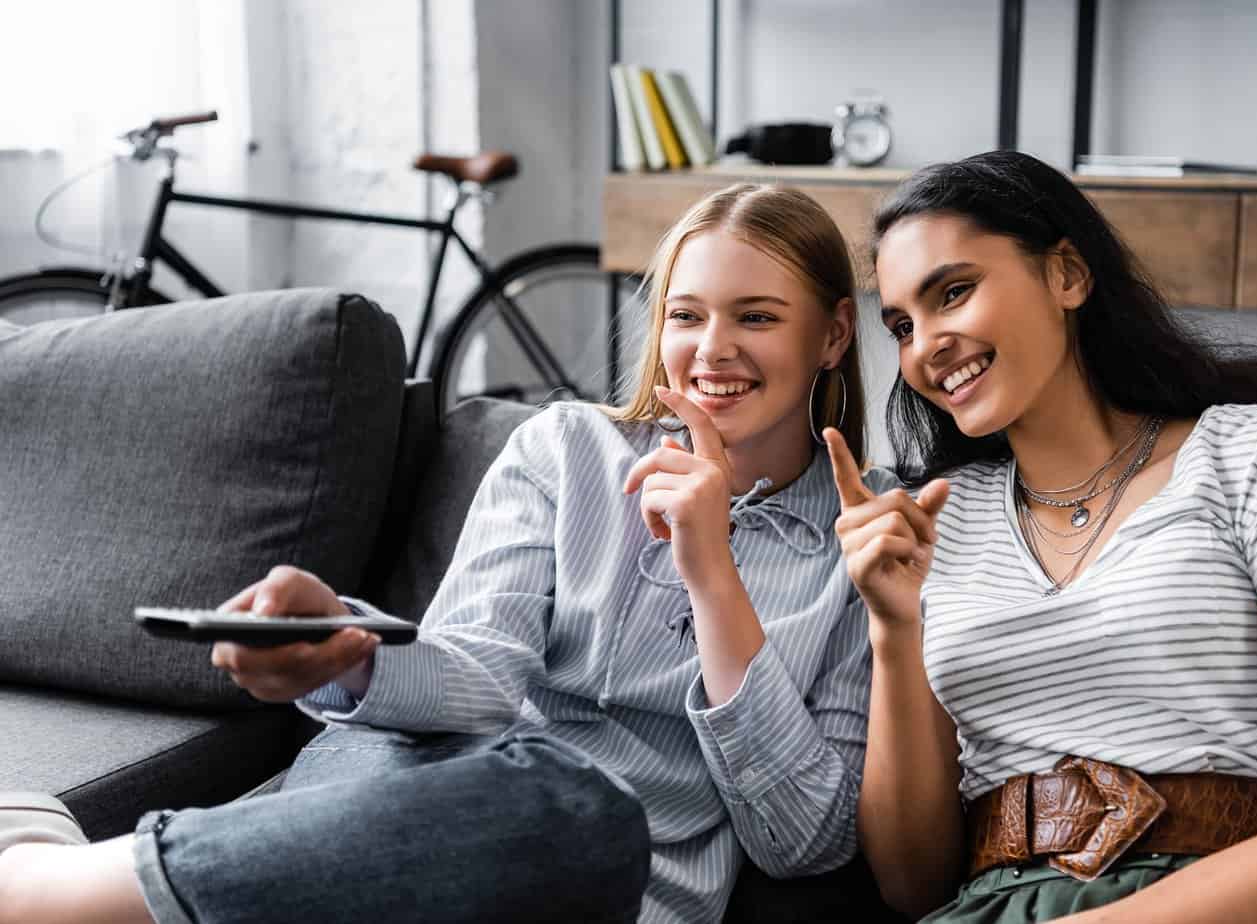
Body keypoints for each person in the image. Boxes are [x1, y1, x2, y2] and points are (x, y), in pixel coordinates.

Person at [0, 182, 899, 924]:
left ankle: (61, 885)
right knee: (429, 769)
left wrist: (714, 574)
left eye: (756, 317)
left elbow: (804, 838)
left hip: (592, 876)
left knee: (569, 807)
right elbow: (476, 676)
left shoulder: (866, 539)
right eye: (686, 315)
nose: (712, 350)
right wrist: (349, 652)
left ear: (829, 335)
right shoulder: (565, 450)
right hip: (411, 797)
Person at [823, 150, 1257, 923]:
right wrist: (894, 626)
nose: (924, 346)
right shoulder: (933, 524)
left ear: (1066, 275)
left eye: (953, 293)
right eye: (900, 326)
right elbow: (912, 883)